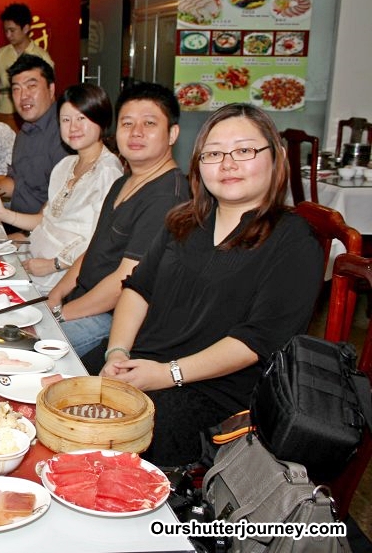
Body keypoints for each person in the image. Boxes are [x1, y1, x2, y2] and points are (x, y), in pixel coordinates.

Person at [89, 104, 324, 466]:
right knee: (60, 383)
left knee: (119, 436)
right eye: (213, 153)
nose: (227, 164)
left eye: (244, 150)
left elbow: (257, 341)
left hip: (217, 391)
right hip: (144, 363)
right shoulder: (183, 221)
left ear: (275, 157)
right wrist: (117, 352)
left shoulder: (293, 240)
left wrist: (168, 373)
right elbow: (138, 289)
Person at [47, 83, 190, 357]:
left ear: (172, 133)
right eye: (127, 123)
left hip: (111, 320)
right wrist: (54, 296)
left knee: (26, 350)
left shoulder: (167, 197)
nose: (136, 132)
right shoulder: (124, 182)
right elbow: (94, 251)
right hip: (81, 302)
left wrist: (61, 314)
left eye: (149, 123)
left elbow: (124, 282)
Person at [0, 84, 124, 293]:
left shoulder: (108, 172)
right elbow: (45, 219)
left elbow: (97, 242)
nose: (73, 127)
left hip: (61, 279)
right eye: (66, 120)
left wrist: (53, 265)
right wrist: (3, 214)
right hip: (32, 261)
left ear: (101, 120)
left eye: (81, 118)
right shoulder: (65, 165)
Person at [0, 54, 68, 217]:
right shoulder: (24, 133)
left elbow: (62, 204)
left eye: (31, 86)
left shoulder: (65, 131)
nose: (23, 96)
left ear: (51, 89)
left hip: (42, 228)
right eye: (16, 89)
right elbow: (16, 185)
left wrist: (17, 228)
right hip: (17, 222)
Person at [0, 3, 54, 129]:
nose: (8, 35)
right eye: (6, 31)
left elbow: (50, 91)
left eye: (12, 30)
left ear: (25, 29)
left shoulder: (42, 56)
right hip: (4, 113)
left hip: (33, 113)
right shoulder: (0, 54)